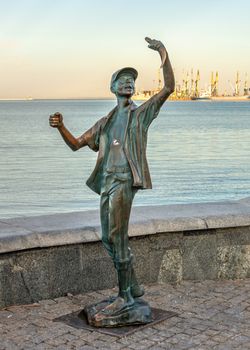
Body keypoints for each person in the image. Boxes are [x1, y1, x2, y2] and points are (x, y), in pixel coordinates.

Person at [49, 37, 175, 319]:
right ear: (113, 88)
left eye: (131, 80)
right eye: (123, 80)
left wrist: (163, 53)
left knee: (117, 237)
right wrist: (61, 127)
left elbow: (168, 88)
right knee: (108, 236)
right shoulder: (105, 121)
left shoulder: (140, 115)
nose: (128, 83)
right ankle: (132, 286)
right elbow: (76, 144)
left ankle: (124, 297)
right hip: (106, 182)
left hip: (123, 181)